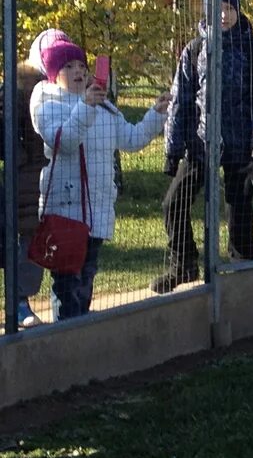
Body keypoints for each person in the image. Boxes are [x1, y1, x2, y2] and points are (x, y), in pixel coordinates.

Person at [150, 0, 253, 294]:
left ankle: (243, 265)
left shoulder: (252, 48)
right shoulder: (194, 49)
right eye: (217, 8)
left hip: (241, 143)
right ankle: (183, 265)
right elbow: (181, 100)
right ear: (207, 10)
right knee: (174, 202)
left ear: (238, 10)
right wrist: (173, 147)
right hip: (201, 142)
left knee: (240, 205)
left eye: (229, 8)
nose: (223, 14)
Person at [30, 40, 170, 320]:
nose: (78, 71)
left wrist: (156, 114)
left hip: (98, 212)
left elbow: (132, 139)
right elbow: (65, 142)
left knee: (86, 281)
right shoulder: (48, 104)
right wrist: (85, 106)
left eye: (82, 65)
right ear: (54, 74)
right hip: (65, 212)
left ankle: (81, 339)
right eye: (68, 66)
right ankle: (66, 341)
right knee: (67, 286)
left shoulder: (102, 105)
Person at [0, 29, 71, 327]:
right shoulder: (19, 87)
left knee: (44, 242)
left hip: (58, 178)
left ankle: (58, 304)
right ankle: (19, 304)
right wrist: (21, 161)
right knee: (27, 241)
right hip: (27, 180)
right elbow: (5, 131)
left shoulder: (67, 88)